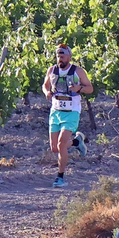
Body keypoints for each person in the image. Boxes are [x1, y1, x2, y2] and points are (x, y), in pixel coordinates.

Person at [42, 44, 92, 187]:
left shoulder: (78, 71)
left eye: (62, 56)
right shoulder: (52, 70)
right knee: (54, 148)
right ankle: (77, 142)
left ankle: (60, 177)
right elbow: (45, 85)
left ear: (69, 57)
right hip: (56, 111)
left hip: (72, 112)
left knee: (61, 143)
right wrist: (47, 93)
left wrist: (79, 88)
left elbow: (90, 88)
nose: (60, 59)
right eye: (58, 56)